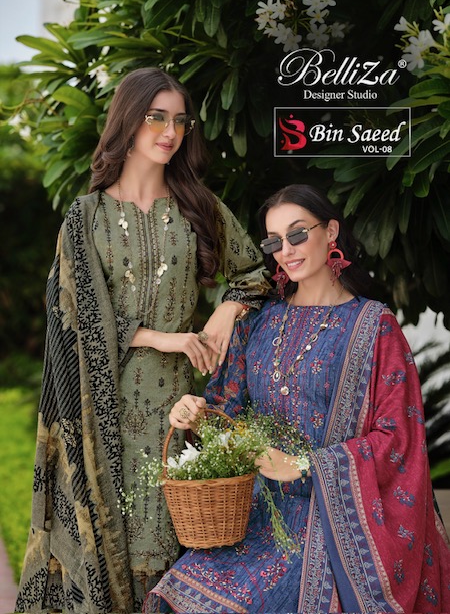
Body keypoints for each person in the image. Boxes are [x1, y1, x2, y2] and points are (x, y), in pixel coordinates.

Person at [15, 67, 271, 614]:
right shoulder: (86, 218)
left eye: (180, 121)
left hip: (177, 407)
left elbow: (254, 274)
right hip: (102, 408)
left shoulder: (197, 206)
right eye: (157, 118)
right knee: (111, 545)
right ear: (128, 121)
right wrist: (165, 338)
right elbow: (70, 317)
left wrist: (226, 310)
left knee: (174, 540)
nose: (170, 132)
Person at [145, 183, 450, 614]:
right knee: (174, 596)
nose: (286, 250)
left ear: (331, 232)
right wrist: (196, 415)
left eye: (298, 233)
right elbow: (228, 416)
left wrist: (306, 466)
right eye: (274, 241)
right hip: (253, 515)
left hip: (330, 522)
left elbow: (398, 440)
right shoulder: (258, 321)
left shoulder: (374, 327)